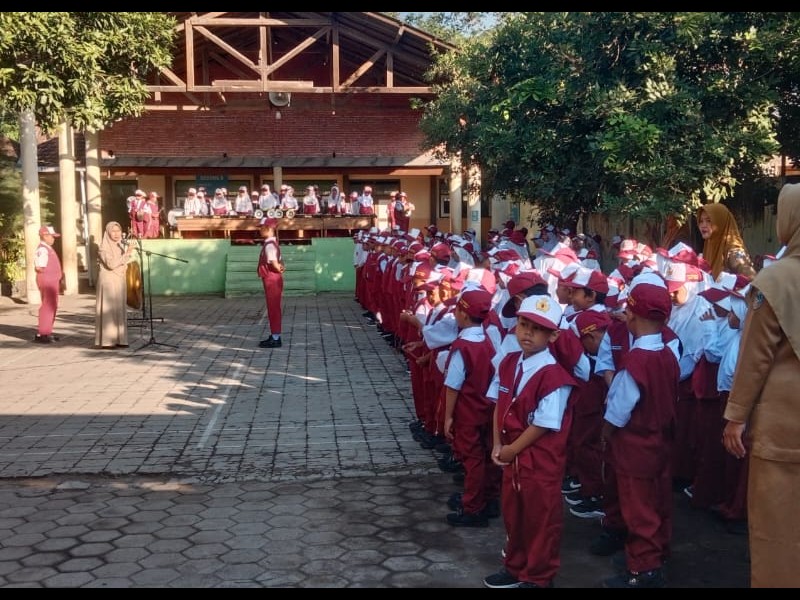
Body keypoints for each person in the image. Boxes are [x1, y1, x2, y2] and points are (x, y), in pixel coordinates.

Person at [722, 182, 800, 588]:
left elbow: (754, 358)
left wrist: (736, 416)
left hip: (784, 425)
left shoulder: (774, 281)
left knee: (778, 528)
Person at [483, 294, 577, 588]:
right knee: (514, 514)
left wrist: (512, 449)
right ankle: (515, 566)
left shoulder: (554, 377)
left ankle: (539, 576)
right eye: (524, 324)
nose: (528, 333)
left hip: (539, 462)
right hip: (512, 457)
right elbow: (498, 402)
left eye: (538, 329)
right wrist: (497, 443)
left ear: (553, 335)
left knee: (540, 519)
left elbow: (544, 424)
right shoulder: (509, 362)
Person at [600, 280, 679, 588]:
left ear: (631, 316)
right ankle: (657, 553)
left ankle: (644, 568)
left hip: (635, 446)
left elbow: (620, 408)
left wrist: (606, 432)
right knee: (657, 501)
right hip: (661, 442)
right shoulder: (668, 354)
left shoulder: (636, 360)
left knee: (638, 509)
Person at [94, 221, 135, 348]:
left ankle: (120, 339)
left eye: (118, 231)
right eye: (113, 231)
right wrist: (127, 253)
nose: (116, 234)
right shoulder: (103, 248)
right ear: (107, 233)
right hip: (108, 282)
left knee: (119, 309)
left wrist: (126, 254)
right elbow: (111, 264)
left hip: (119, 280)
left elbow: (122, 263)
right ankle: (107, 341)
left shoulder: (120, 246)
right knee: (109, 310)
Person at [696, 203, 756, 280]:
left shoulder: (733, 250)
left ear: (720, 223)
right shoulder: (709, 244)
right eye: (701, 221)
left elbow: (750, 275)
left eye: (709, 221)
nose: (703, 225)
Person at [257, 217, 285, 349]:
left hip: (271, 279)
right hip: (273, 278)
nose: (260, 230)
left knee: (273, 308)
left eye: (262, 228)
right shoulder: (273, 243)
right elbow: (280, 261)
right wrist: (280, 267)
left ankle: (275, 338)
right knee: (274, 307)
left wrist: (278, 268)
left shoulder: (269, 245)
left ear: (269, 229)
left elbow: (274, 263)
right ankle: (275, 335)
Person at [33, 225, 64, 344]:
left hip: (51, 280)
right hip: (48, 280)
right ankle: (44, 333)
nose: (53, 239)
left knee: (52, 305)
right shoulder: (43, 249)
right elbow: (40, 266)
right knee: (48, 305)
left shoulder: (47, 248)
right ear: (45, 236)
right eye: (52, 236)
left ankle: (47, 332)